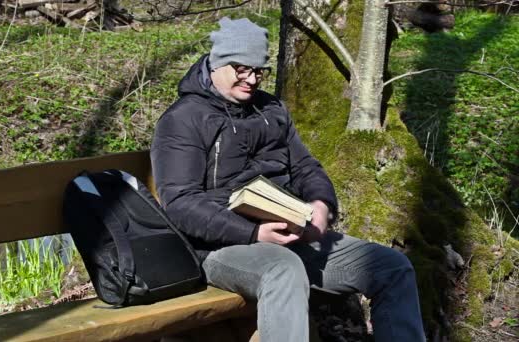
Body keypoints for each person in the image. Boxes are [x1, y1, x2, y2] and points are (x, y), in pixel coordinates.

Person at [151, 17, 426, 342]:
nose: (252, 79)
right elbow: (180, 203)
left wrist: (322, 206)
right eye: (242, 69)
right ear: (219, 61)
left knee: (391, 267)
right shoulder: (183, 119)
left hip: (288, 235)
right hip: (216, 248)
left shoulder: (271, 110)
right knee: (283, 269)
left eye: (259, 71)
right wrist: (254, 232)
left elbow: (306, 167)